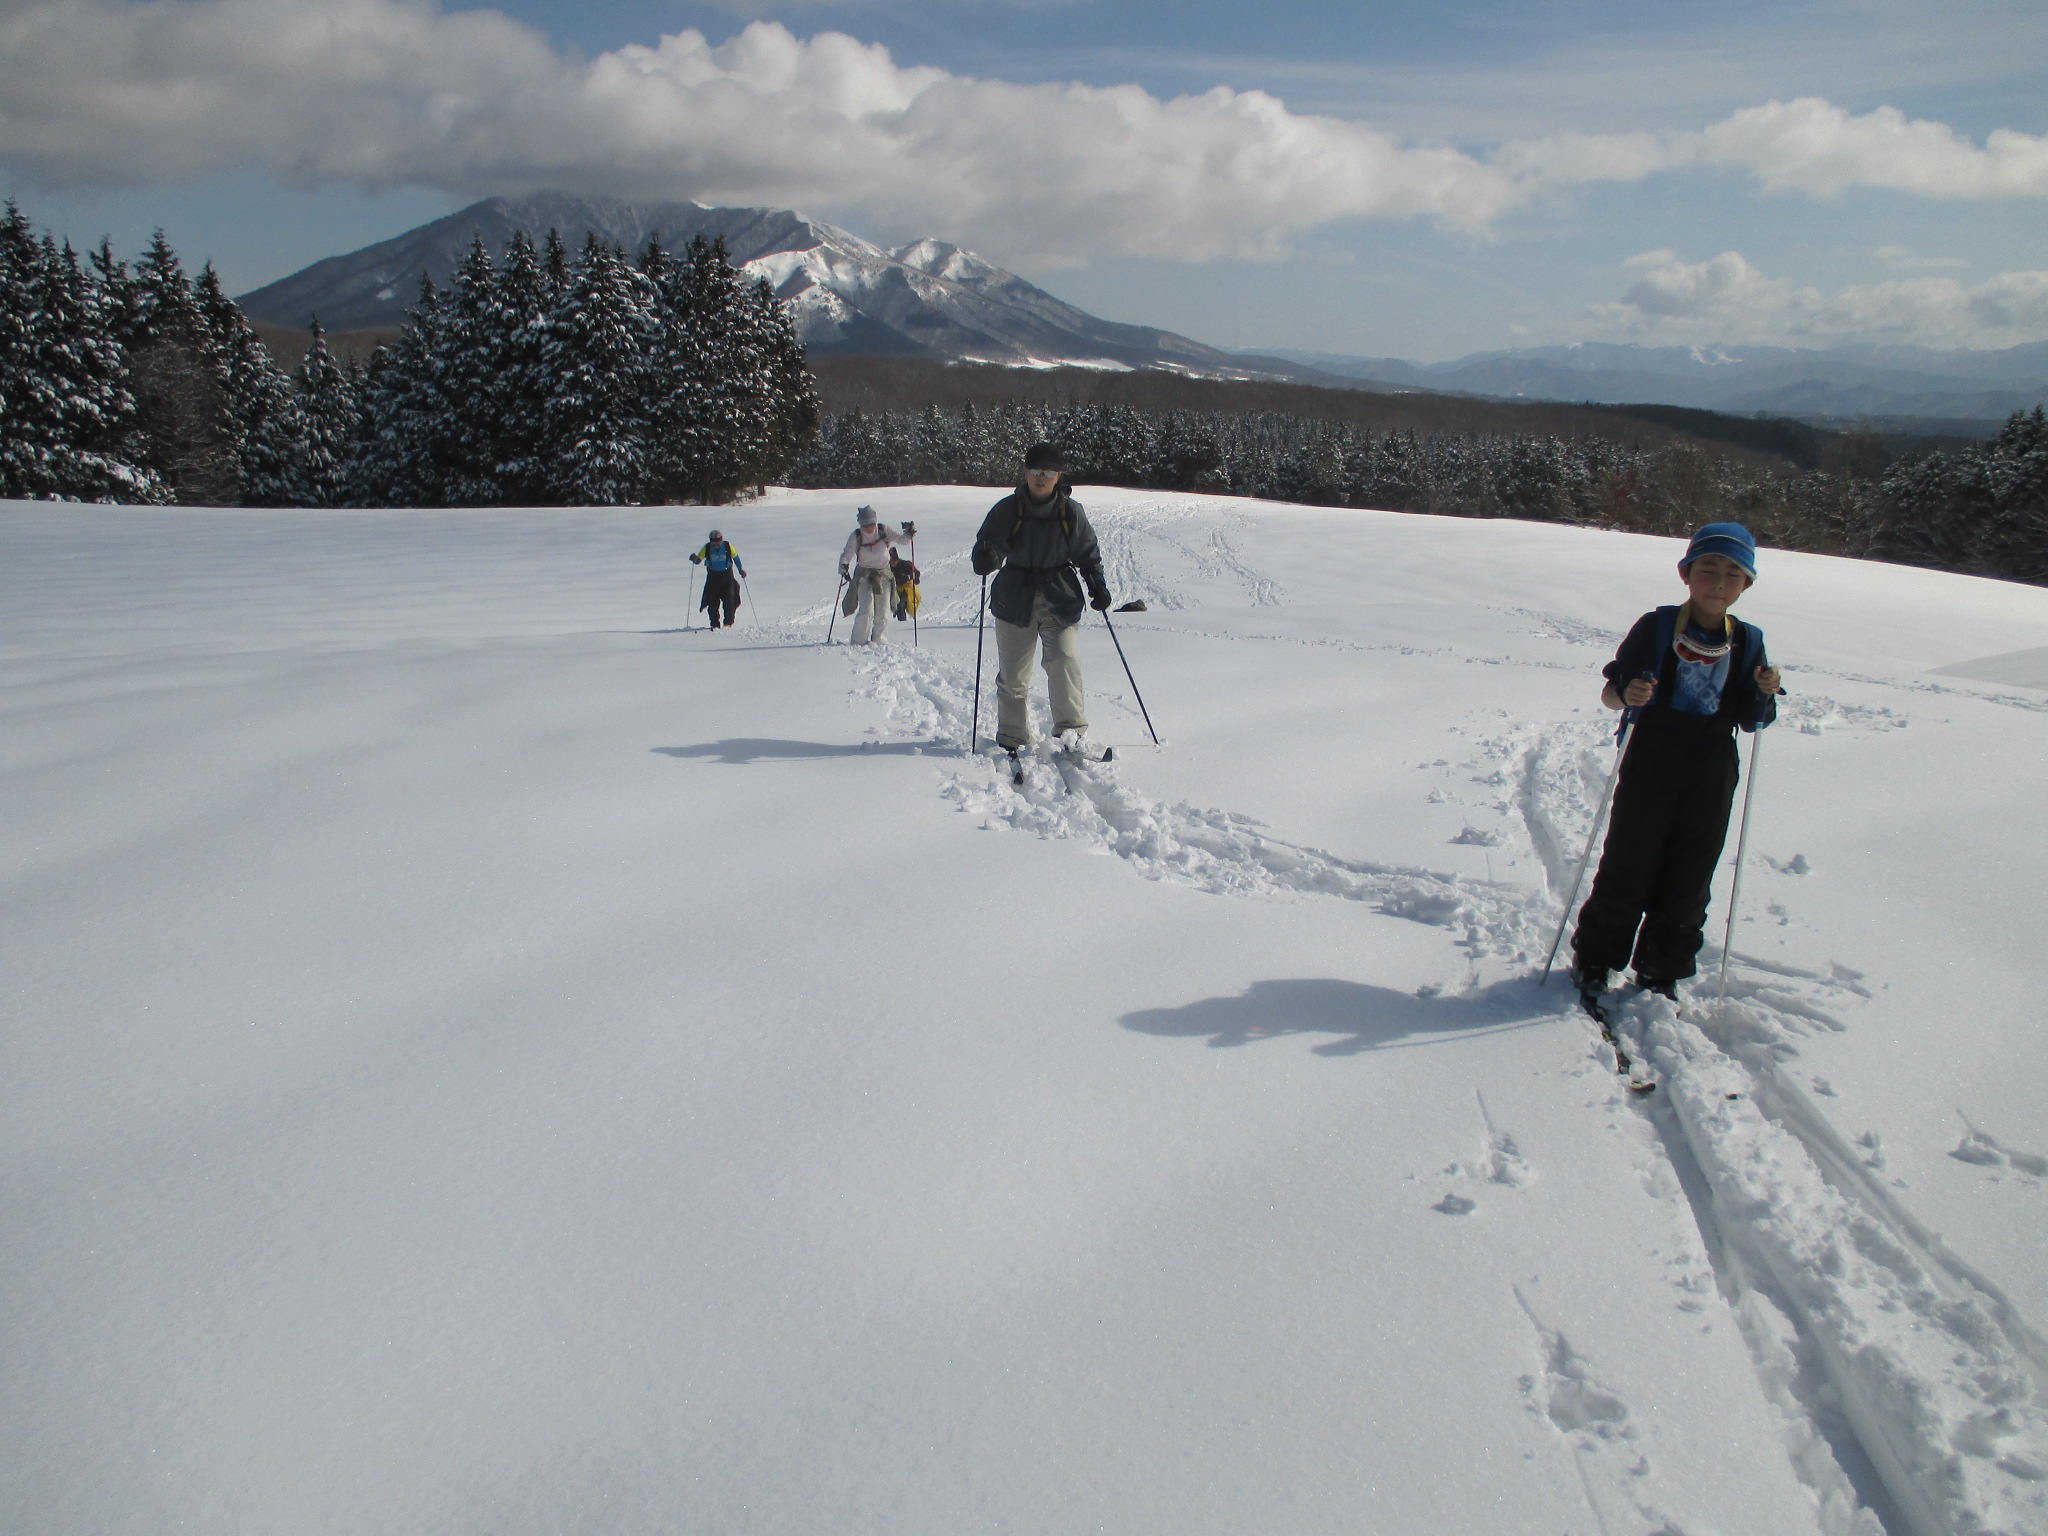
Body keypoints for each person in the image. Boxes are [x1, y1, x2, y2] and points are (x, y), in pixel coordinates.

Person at [1570, 522, 1783, 1018]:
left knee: (1691, 873)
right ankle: (1597, 960)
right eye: (1707, 568)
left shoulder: (1748, 641)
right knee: (1629, 861)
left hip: (1711, 770)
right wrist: (1626, 694)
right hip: (1652, 760)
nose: (1718, 581)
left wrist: (1764, 691)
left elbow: (1754, 721)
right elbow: (1610, 692)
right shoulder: (1657, 626)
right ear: (1686, 573)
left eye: (1732, 573)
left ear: (1746, 584)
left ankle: (1662, 969)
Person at [971, 443, 1113, 757]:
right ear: (1026, 471)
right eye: (1036, 470)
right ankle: (1012, 735)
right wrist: (986, 557)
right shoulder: (1008, 509)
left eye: (1048, 472)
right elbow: (988, 546)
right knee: (1013, 675)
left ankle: (1071, 731)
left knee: (1064, 660)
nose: (1041, 477)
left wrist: (1097, 585)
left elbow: (1088, 553)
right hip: (1014, 598)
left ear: (1058, 476)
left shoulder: (1069, 511)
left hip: (1059, 596)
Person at [839, 506, 903, 645]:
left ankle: (879, 641)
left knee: (883, 611)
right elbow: (848, 552)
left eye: (872, 524)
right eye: (865, 525)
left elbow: (902, 540)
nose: (869, 528)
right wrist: (844, 565)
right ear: (861, 524)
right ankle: (858, 642)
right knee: (866, 610)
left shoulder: (883, 530)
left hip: (884, 575)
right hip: (864, 576)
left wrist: (909, 534)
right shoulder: (856, 536)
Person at [689, 529, 746, 629]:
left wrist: (741, 570)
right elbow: (698, 560)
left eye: (717, 540)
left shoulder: (728, 546)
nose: (715, 543)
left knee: (729, 601)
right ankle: (714, 624)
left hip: (727, 577)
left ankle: (728, 623)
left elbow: (736, 558)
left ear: (721, 539)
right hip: (713, 577)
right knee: (712, 602)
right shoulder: (706, 548)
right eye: (713, 540)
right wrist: (694, 559)